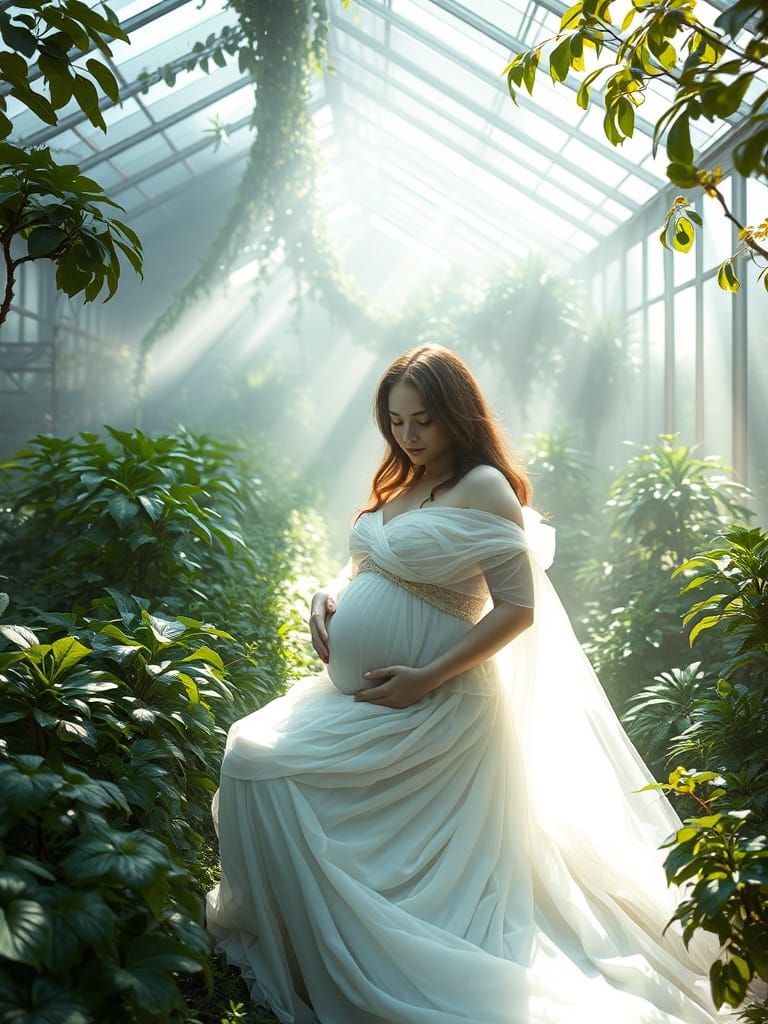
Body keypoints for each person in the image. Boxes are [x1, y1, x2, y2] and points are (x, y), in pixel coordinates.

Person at [206, 344, 745, 1024]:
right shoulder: (398, 482)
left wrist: (425, 676)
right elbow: (360, 568)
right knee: (250, 752)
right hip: (365, 693)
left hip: (438, 702)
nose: (408, 436)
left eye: (423, 421)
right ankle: (297, 935)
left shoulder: (483, 486)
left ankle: (345, 941)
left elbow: (518, 610)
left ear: (458, 415)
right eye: (397, 421)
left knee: (262, 764)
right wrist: (324, 594)